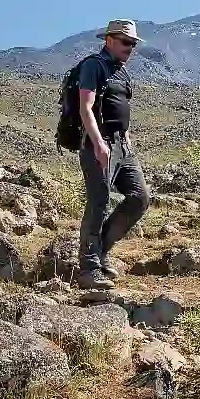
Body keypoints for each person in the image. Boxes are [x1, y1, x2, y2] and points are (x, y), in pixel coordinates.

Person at [76, 19, 151, 290]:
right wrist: (98, 143)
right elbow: (86, 107)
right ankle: (88, 268)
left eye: (133, 44)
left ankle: (101, 251)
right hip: (99, 143)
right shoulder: (93, 66)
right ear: (109, 40)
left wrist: (126, 142)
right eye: (126, 42)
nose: (130, 48)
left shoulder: (120, 71)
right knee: (99, 202)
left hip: (122, 145)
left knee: (139, 198)